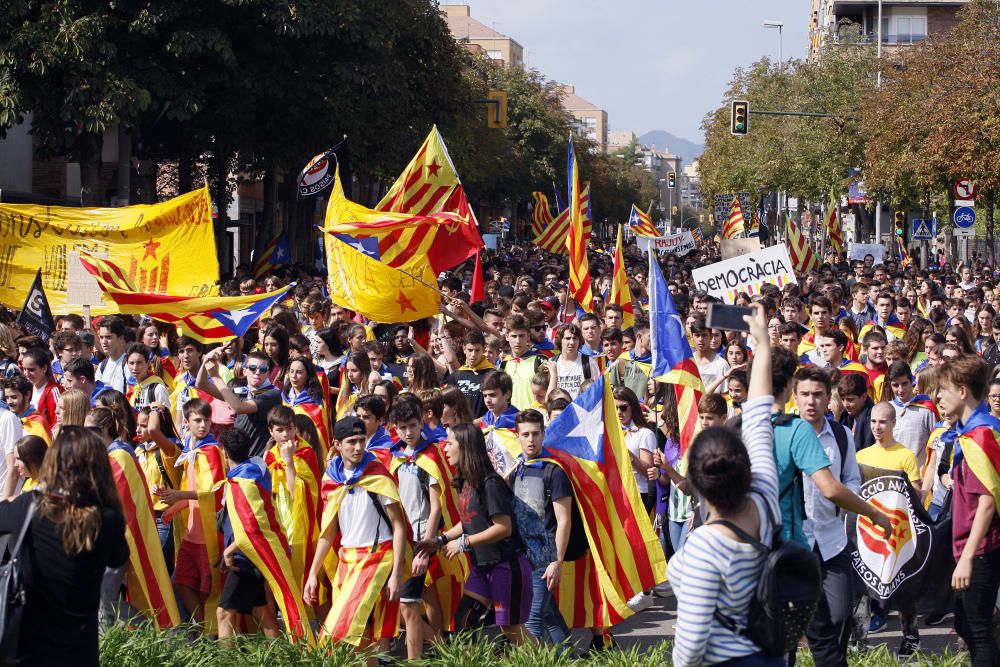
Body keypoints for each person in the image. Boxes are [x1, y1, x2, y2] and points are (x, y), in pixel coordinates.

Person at [668, 302, 781, 666]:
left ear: (697, 483)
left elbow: (690, 647)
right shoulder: (765, 496)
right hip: (769, 653)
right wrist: (762, 344)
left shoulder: (704, 546)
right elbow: (761, 414)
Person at [0, 426, 128, 665]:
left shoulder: (28, 507)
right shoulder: (108, 519)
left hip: (27, 646)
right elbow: (118, 558)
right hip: (80, 650)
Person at [415, 423, 532, 645]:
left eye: (450, 444)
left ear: (465, 447)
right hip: (482, 566)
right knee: (464, 621)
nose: (445, 448)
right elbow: (469, 520)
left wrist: (464, 543)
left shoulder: (491, 483)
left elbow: (503, 527)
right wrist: (440, 540)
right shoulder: (465, 481)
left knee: (511, 629)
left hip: (506, 566)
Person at [305, 416, 407, 658]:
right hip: (346, 561)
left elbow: (399, 526)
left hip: (376, 557)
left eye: (362, 440)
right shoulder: (331, 480)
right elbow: (328, 533)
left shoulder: (378, 474)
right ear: (337, 445)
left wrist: (396, 574)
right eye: (351, 441)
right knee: (359, 637)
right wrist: (312, 573)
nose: (359, 447)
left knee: (335, 633)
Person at [936, 356, 1000, 667]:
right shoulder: (966, 433)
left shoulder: (982, 435)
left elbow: (987, 502)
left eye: (943, 389)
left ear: (962, 391)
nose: (938, 397)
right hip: (967, 545)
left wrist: (967, 558)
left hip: (981, 550)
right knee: (967, 625)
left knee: (977, 630)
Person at [153, 398, 226, 630]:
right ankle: (203, 627)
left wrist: (180, 495)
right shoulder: (190, 450)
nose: (203, 425)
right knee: (181, 583)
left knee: (208, 589)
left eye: (206, 420)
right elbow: (192, 488)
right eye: (197, 420)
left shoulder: (211, 451)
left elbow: (215, 493)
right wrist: (173, 503)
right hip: (190, 534)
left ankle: (211, 636)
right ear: (187, 422)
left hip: (207, 535)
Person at [857, 401, 923, 655]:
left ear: (893, 423)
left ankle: (911, 639)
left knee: (904, 585)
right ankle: (859, 642)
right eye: (873, 421)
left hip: (898, 534)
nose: (876, 427)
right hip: (868, 533)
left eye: (882, 421)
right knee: (863, 587)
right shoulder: (861, 456)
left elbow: (916, 494)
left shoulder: (905, 456)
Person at [509, 409, 572, 648]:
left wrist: (557, 561)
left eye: (536, 433)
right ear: (517, 436)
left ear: (544, 434)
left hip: (544, 558)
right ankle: (569, 659)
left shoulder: (554, 472)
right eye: (525, 434)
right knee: (549, 614)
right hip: (522, 556)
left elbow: (564, 519)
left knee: (531, 621)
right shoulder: (516, 469)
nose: (531, 439)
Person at [216, 429, 282, 642]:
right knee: (260, 610)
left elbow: (254, 525)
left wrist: (230, 548)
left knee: (224, 613)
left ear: (225, 453)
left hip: (244, 557)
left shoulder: (243, 482)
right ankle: (283, 657)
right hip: (248, 554)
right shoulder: (251, 473)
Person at [262, 406, 321, 595]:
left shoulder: (306, 452)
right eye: (280, 430)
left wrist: (288, 462)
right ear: (271, 431)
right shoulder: (271, 455)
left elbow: (298, 494)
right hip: (278, 523)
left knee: (304, 579)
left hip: (300, 525)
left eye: (289, 428)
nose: (286, 434)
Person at [198, 348, 282, 458]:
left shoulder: (272, 394)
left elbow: (238, 407)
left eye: (263, 369)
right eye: (252, 368)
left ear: (268, 373)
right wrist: (207, 360)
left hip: (259, 460)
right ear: (244, 371)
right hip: (238, 459)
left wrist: (215, 376)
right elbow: (202, 384)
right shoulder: (241, 391)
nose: (257, 372)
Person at [443, 331, 494, 418]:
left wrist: (478, 423)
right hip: (460, 427)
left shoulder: (493, 375)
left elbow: (498, 408)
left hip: (483, 428)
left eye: (477, 350)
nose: (473, 355)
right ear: (464, 349)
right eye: (470, 350)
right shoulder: (456, 376)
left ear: (484, 349)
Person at [21, 346, 62, 425]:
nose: (26, 373)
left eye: (31, 370)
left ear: (44, 368)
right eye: (24, 369)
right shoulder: (26, 388)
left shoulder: (53, 391)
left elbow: (58, 424)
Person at [125, 342, 170, 412]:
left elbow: (167, 418)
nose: (135, 368)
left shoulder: (158, 389)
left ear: (148, 363)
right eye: (131, 363)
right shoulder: (131, 387)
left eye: (139, 362)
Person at [95, 316, 129, 394]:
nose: (104, 341)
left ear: (120, 338)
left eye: (108, 337)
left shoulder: (129, 365)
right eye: (101, 337)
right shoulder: (102, 366)